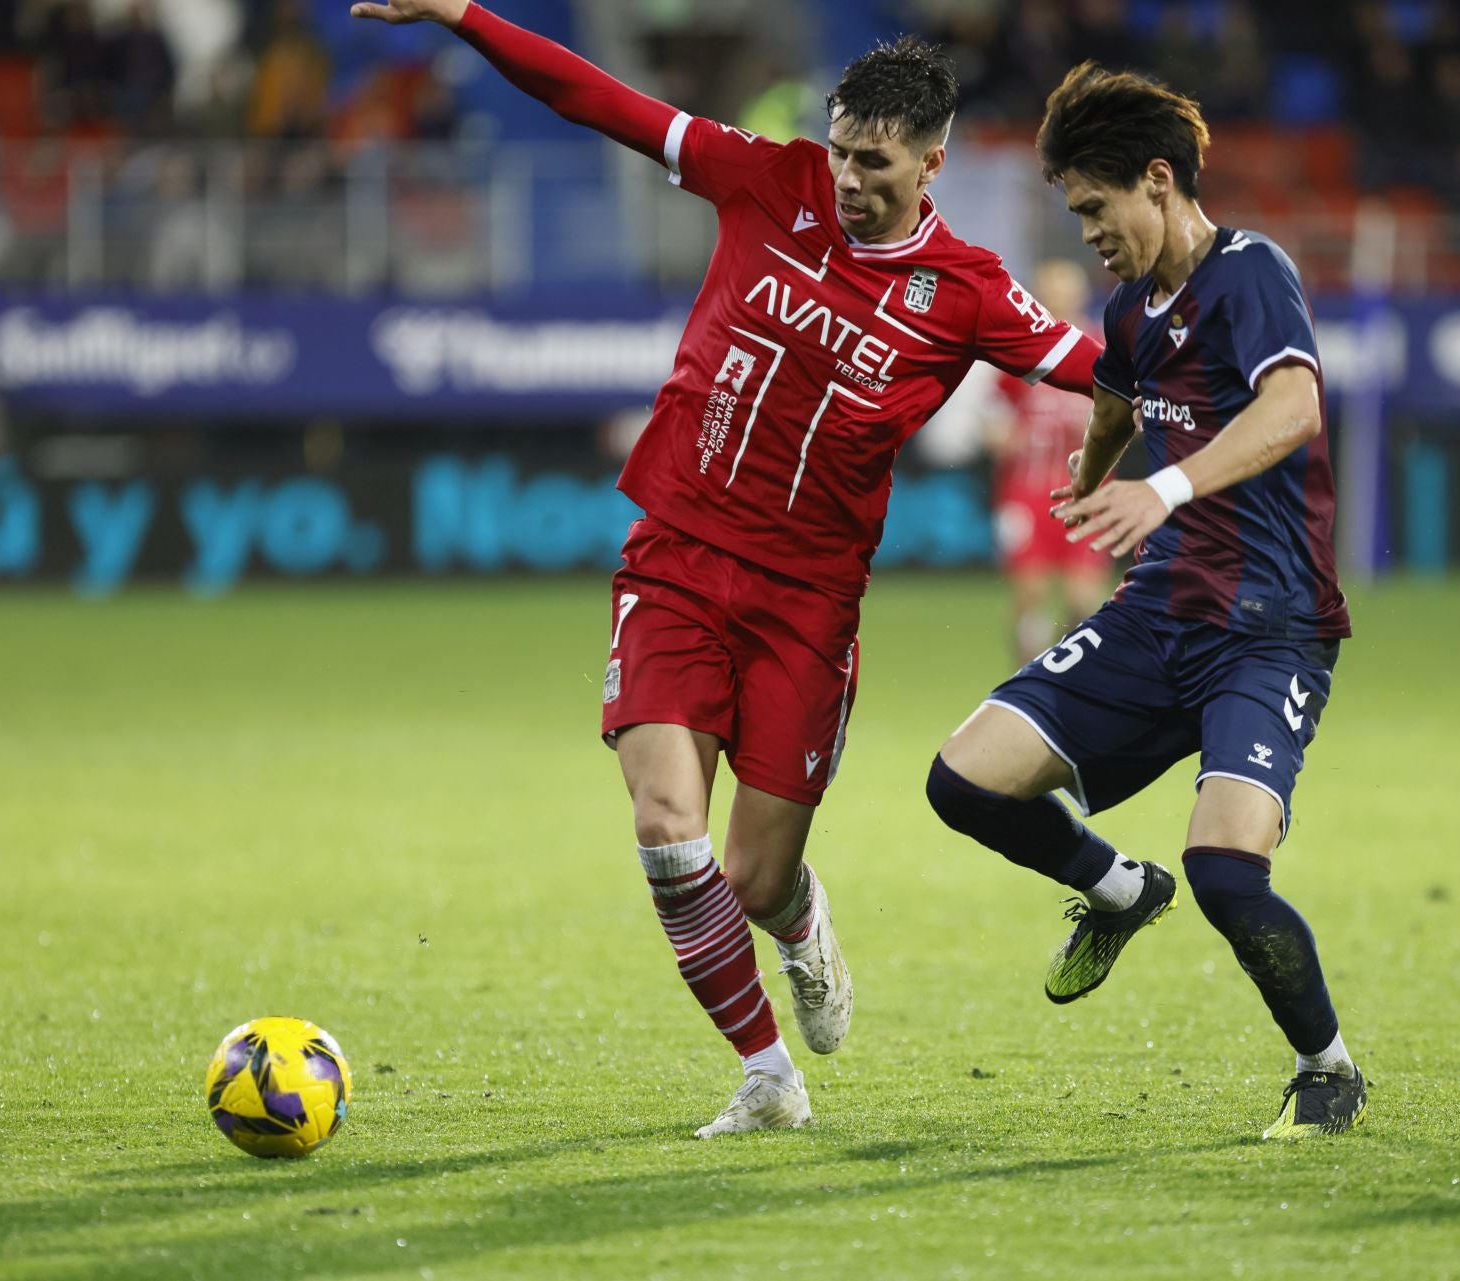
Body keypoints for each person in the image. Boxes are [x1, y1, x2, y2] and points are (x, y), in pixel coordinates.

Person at [352, 0, 1101, 1137]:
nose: (848, 178)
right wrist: (463, 13)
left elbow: (1107, 374)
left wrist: (1199, 433)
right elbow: (597, 99)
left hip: (808, 606)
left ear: (932, 161)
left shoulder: (968, 290)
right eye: (842, 150)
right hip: (678, 558)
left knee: (755, 879)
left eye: (875, 162)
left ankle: (801, 927)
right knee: (667, 828)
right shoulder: (767, 179)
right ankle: (766, 1077)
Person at [924, 64, 1365, 1140]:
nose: (1087, 234)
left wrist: (1162, 486)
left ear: (1157, 181)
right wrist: (1089, 475)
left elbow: (1296, 404)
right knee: (964, 781)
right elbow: (1120, 400)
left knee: (1227, 874)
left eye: (1094, 209)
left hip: (1268, 632)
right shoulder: (1129, 309)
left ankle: (1327, 1067)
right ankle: (1120, 890)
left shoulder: (1250, 271)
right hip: (1157, 613)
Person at [982, 257, 1113, 664]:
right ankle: (1025, 686)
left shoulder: (1104, 352)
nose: (1058, 301)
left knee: (1084, 599)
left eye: (1065, 293)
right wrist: (1005, 438)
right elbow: (992, 419)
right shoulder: (1022, 351)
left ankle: (1073, 682)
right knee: (1030, 594)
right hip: (1027, 491)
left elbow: (1127, 417)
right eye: (1051, 293)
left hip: (1086, 494)